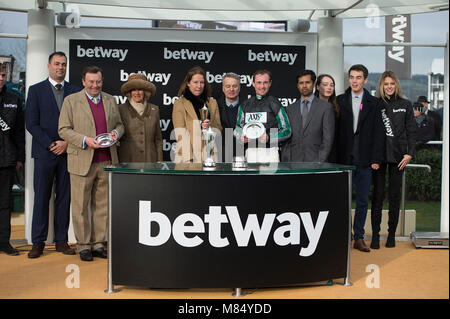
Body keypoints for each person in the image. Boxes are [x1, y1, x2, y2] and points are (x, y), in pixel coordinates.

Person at [58, 66, 124, 261]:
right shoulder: (71, 101)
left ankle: (97, 244)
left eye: (98, 82)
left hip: (107, 160)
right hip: (82, 161)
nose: (95, 85)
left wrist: (116, 134)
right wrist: (85, 140)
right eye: (91, 82)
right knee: (80, 207)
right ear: (84, 82)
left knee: (102, 206)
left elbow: (120, 125)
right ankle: (84, 245)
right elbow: (63, 129)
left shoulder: (111, 100)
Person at [25, 51, 80, 258]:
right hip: (44, 153)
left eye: (64, 64)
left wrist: (67, 142)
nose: (60, 67)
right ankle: (37, 242)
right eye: (57, 64)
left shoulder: (75, 91)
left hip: (68, 153)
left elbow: (78, 123)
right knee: (41, 197)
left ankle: (61, 240)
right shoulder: (36, 90)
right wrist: (51, 144)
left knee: (64, 198)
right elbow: (31, 123)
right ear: (49, 66)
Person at [336, 64, 385, 253]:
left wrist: (376, 158)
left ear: (365, 80)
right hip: (345, 160)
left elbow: (378, 133)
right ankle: (344, 236)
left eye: (358, 77)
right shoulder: (340, 100)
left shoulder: (374, 103)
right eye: (352, 77)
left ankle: (358, 237)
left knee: (363, 201)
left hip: (365, 160)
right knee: (344, 201)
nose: (354, 81)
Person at [370, 71, 417, 249]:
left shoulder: (405, 104)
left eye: (392, 83)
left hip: (398, 158)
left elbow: (412, 131)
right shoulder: (377, 105)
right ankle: (375, 235)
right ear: (381, 86)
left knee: (395, 198)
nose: (389, 86)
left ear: (396, 85)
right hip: (379, 159)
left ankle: (391, 235)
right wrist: (373, 157)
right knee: (377, 196)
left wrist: (409, 153)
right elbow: (372, 132)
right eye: (386, 84)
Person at [234, 69, 291, 162]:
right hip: (250, 152)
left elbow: (287, 130)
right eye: (259, 82)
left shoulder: (275, 104)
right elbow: (238, 129)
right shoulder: (245, 105)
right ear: (253, 83)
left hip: (271, 153)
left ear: (270, 83)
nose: (262, 86)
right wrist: (241, 137)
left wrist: (269, 137)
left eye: (265, 82)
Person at [281, 70, 334, 162]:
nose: (304, 86)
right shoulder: (290, 109)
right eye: (301, 83)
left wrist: (320, 161)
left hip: (316, 162)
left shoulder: (326, 108)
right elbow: (287, 140)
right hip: (293, 163)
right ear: (297, 86)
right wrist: (286, 160)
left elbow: (328, 139)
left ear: (314, 84)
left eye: (307, 82)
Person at [172, 66, 222, 163]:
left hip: (210, 156)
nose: (199, 86)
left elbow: (218, 129)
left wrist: (209, 127)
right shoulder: (180, 103)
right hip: (188, 157)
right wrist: (189, 158)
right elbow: (180, 132)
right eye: (195, 82)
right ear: (188, 83)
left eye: (202, 82)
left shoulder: (212, 103)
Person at [0, 63, 24, 256]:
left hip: (7, 160)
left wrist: (19, 157)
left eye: (2, 75)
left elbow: (18, 133)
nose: (0, 78)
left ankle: (4, 242)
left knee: (5, 204)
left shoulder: (14, 99)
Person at [118, 73, 163, 162]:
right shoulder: (120, 109)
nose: (137, 93)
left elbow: (158, 140)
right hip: (127, 161)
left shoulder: (154, 109)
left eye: (140, 89)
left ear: (145, 92)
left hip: (150, 160)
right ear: (129, 92)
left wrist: (159, 162)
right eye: (134, 90)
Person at [217, 72, 244, 162]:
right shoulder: (215, 107)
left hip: (243, 154)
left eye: (234, 86)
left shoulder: (248, 106)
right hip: (221, 155)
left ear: (239, 88)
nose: (231, 89)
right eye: (228, 86)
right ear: (223, 88)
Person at [314, 74, 339, 163]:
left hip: (333, 154)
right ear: (317, 86)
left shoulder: (338, 108)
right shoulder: (310, 107)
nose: (329, 87)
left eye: (332, 85)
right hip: (314, 154)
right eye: (325, 84)